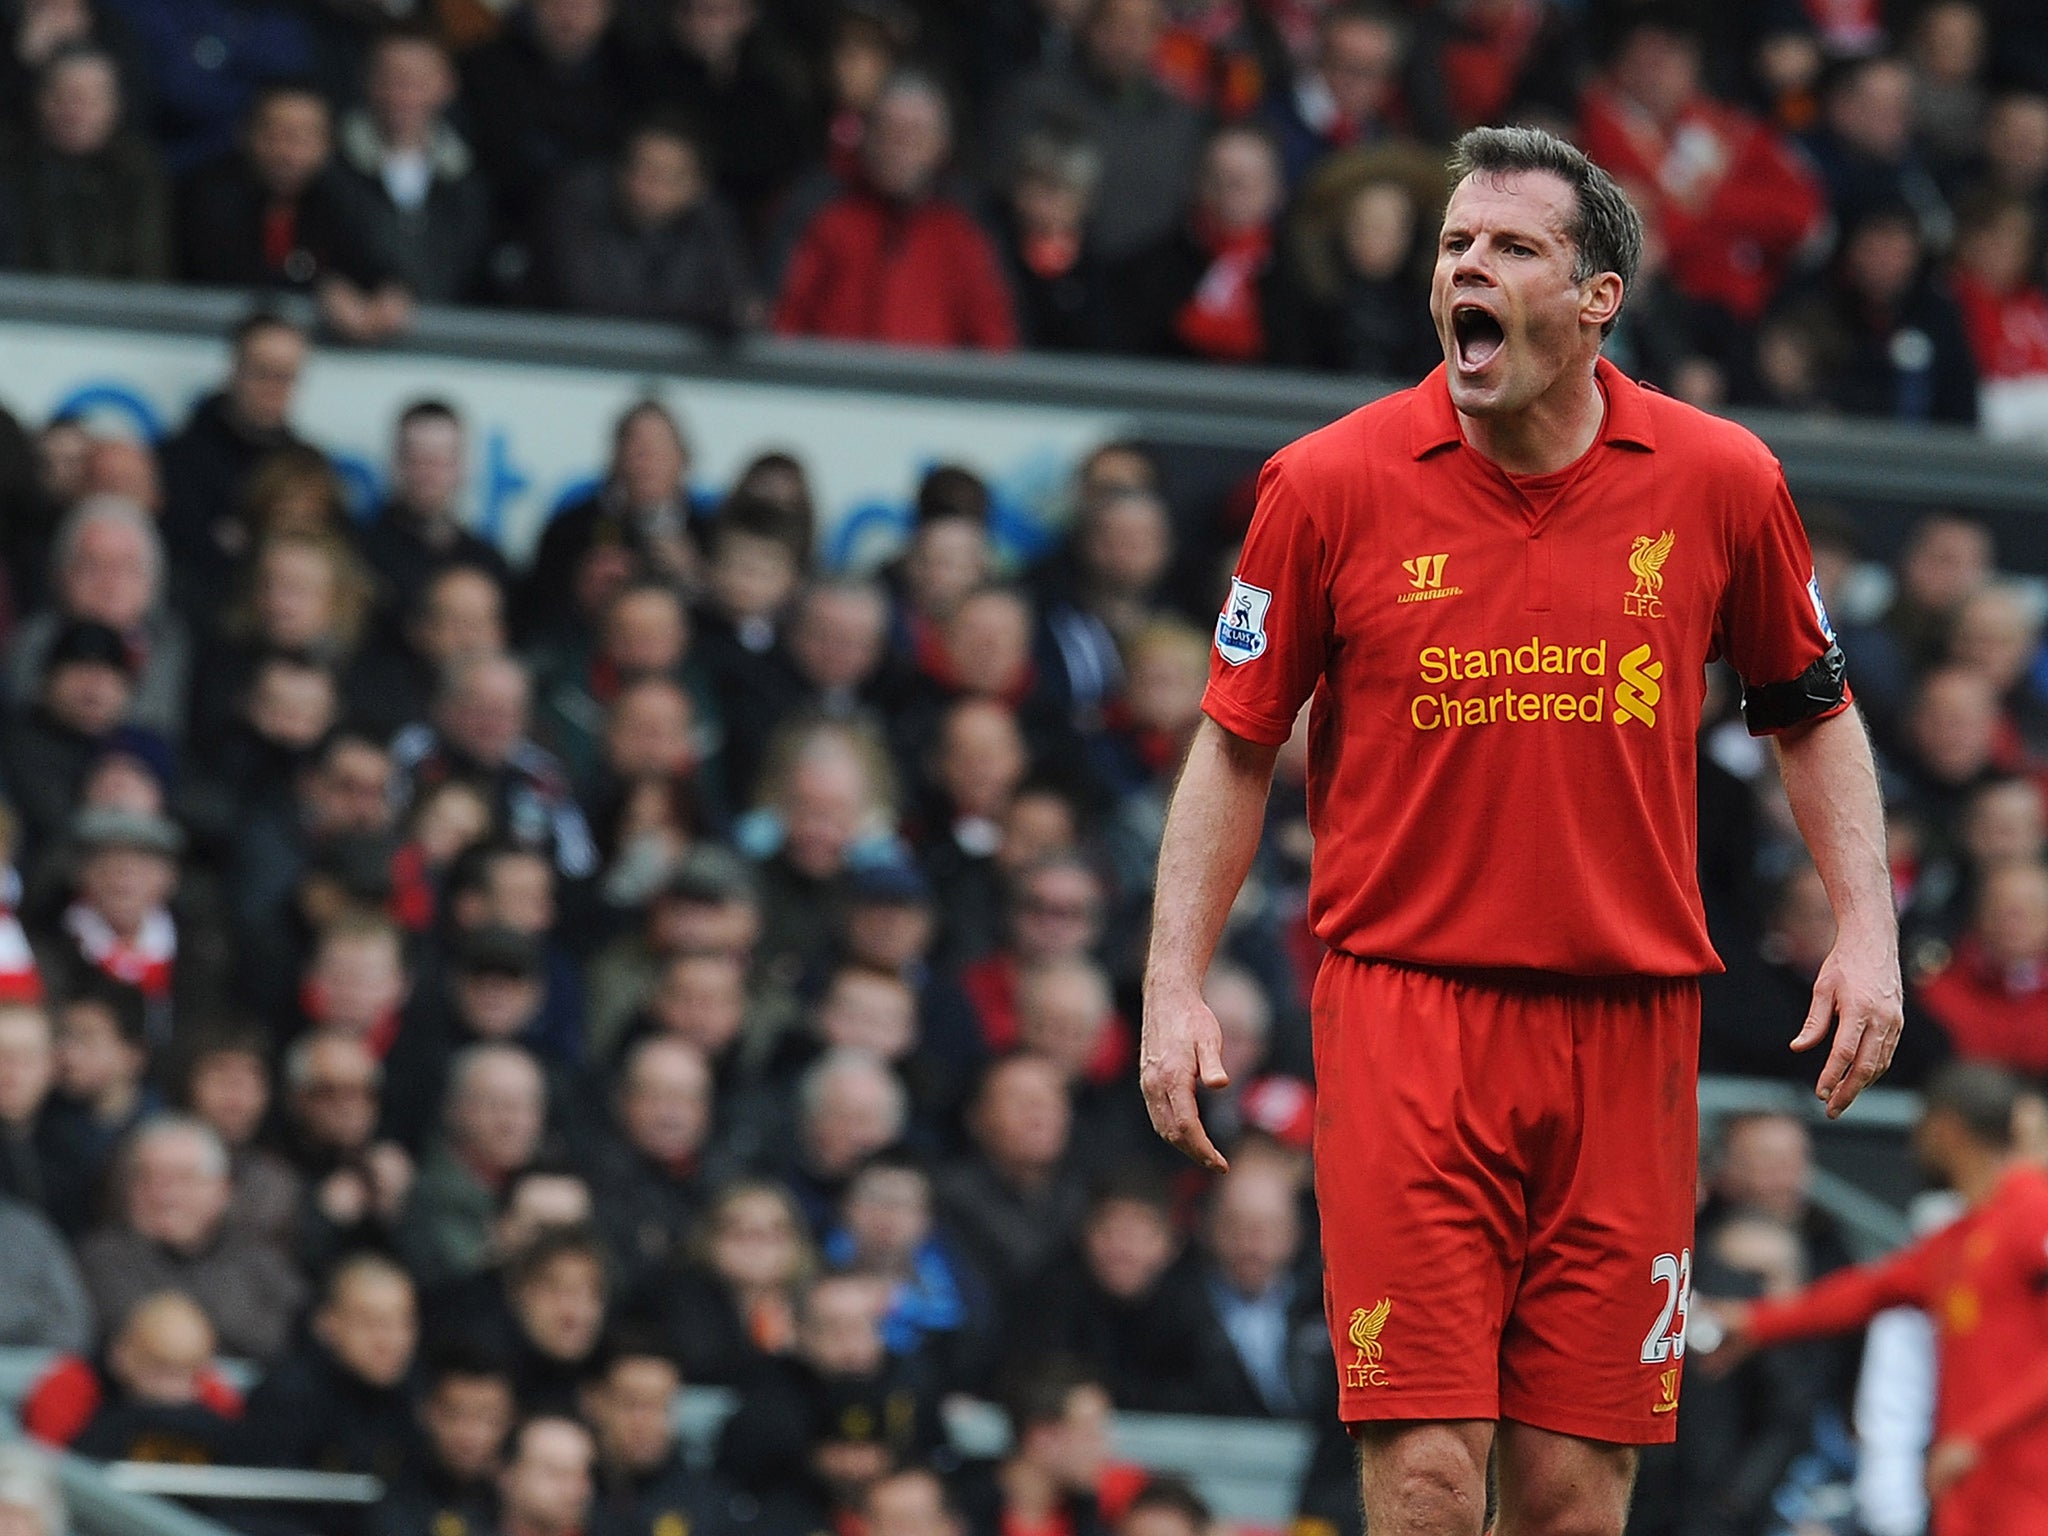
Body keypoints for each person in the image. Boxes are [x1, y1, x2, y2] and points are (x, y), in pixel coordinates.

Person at [1139, 125, 1899, 1536]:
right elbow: (1235, 745)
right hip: (1410, 1013)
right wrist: (1174, 980)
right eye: (1451, 245)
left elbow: (1814, 710)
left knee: (1572, 1485)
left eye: (1507, 247)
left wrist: (1866, 930)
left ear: (1599, 295)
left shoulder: (1723, 480)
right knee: (1429, 1469)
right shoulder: (1325, 485)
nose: (1463, 270)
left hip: (1629, 1027)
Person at [1707, 1062, 2048, 1535]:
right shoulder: (1959, 1238)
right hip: (1969, 1486)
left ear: (1946, 1129)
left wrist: (1977, 1436)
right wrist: (1756, 1324)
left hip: (2025, 1482)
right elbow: (1867, 1291)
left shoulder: (2034, 1212)